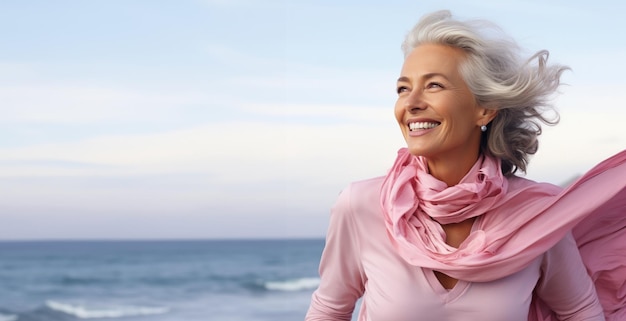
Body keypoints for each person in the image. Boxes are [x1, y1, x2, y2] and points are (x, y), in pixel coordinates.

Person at [305, 10, 626, 321]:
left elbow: (581, 312)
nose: (411, 103)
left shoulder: (537, 215)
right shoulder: (360, 205)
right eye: (403, 88)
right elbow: (329, 311)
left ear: (484, 109)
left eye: (434, 85)